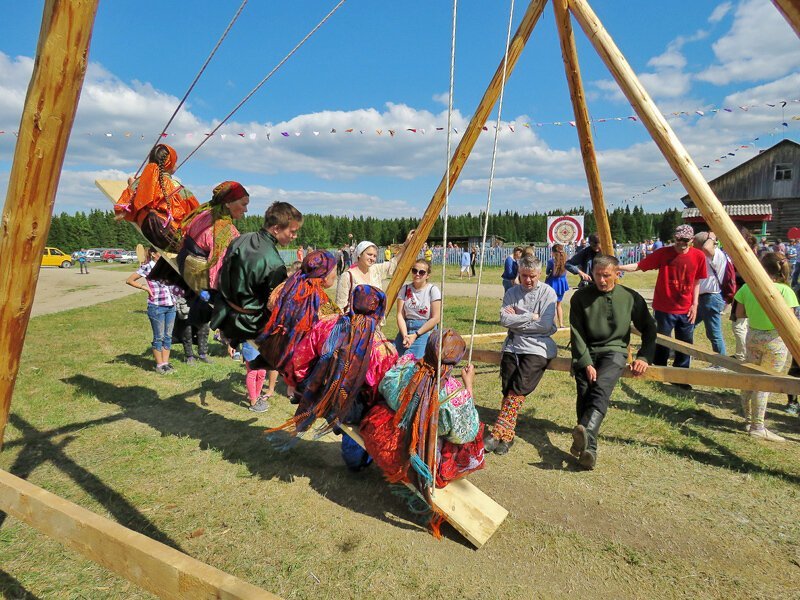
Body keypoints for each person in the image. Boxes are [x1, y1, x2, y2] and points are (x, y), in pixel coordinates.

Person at [360, 329, 483, 537]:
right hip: (421, 457)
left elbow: (386, 388)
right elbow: (465, 434)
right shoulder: (455, 394)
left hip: (386, 440)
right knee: (475, 434)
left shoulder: (406, 367)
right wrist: (469, 387)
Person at [275, 285, 398, 440]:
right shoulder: (380, 347)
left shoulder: (327, 324)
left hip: (316, 393)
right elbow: (376, 391)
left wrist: (296, 382)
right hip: (348, 409)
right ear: (379, 310)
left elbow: (301, 359)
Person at [569, 255, 657, 469]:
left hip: (615, 351)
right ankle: (589, 450)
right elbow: (576, 332)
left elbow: (649, 327)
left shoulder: (630, 298)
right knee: (585, 393)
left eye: (606, 275)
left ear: (617, 274)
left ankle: (586, 435)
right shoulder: (580, 298)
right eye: (597, 274)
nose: (601, 279)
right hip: (587, 351)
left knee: (600, 388)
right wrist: (586, 361)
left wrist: (644, 356)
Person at [485, 256, 558, 455]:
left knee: (518, 387)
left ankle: (498, 432)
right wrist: (530, 316)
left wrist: (517, 316)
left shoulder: (548, 293)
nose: (527, 280)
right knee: (508, 386)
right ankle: (507, 436)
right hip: (513, 345)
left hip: (537, 348)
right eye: (524, 276)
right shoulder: (511, 292)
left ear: (539, 274)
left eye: (532, 276)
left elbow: (545, 325)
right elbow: (504, 319)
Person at [619, 224, 707, 382]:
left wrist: (695, 304)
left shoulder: (698, 256)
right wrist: (617, 267)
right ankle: (658, 372)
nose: (681, 243)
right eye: (678, 239)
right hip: (664, 307)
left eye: (685, 240)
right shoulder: (663, 253)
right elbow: (640, 266)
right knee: (661, 341)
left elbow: (696, 281)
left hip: (686, 308)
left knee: (685, 344)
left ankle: (681, 377)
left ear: (692, 240)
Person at [210, 201, 302, 344]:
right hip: (249, 325)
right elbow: (276, 307)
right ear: (276, 228)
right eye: (292, 231)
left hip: (224, 313)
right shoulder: (275, 264)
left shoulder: (240, 239)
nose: (294, 236)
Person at [734, 252, 799, 442]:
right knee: (765, 383)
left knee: (750, 379)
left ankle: (747, 419)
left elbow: (739, 313)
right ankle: (758, 426)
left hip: (753, 336)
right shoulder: (786, 291)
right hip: (775, 341)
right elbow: (791, 319)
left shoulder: (748, 288)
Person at [257, 250, 339, 373]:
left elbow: (270, 306)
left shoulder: (286, 287)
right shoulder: (319, 300)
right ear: (325, 275)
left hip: (281, 353)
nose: (336, 275)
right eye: (335, 271)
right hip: (305, 364)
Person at [114, 144, 199, 251]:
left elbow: (122, 208)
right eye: (175, 161)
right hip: (171, 238)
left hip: (148, 230)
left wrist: (131, 185)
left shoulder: (139, 183)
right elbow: (196, 215)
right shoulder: (179, 189)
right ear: (169, 163)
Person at [177, 181, 249, 293]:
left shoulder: (203, 213)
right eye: (243, 204)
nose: (246, 210)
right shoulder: (225, 231)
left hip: (184, 266)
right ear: (228, 203)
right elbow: (219, 270)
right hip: (200, 282)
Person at [125, 248, 182, 374]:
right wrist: (145, 288)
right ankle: (159, 365)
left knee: (168, 336)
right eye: (160, 254)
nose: (163, 256)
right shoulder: (148, 267)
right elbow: (130, 280)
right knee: (159, 337)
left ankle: (166, 363)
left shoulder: (168, 267)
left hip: (171, 305)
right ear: (153, 254)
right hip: (156, 306)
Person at [335, 231, 415, 313]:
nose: (372, 258)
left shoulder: (375, 270)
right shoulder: (347, 276)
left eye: (375, 256)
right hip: (353, 323)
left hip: (374, 323)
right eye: (369, 254)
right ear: (359, 254)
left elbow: (393, 263)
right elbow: (340, 307)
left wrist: (406, 244)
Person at [693, 230, 736, 360]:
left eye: (694, 244)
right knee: (687, 326)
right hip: (704, 298)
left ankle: (721, 361)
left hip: (710, 298)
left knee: (713, 333)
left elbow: (707, 247)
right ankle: (685, 352)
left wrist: (712, 236)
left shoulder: (715, 254)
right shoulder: (709, 254)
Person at [395, 259, 441, 357]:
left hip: (424, 330)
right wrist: (405, 335)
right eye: (414, 271)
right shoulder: (405, 289)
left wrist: (416, 335)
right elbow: (400, 314)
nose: (417, 274)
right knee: (394, 359)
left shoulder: (432, 290)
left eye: (422, 272)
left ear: (427, 275)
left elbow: (436, 318)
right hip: (406, 329)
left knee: (414, 362)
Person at [730, 227, 759, 361]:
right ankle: (742, 353)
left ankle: (742, 355)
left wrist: (731, 274)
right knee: (742, 326)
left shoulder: (746, 255)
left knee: (739, 326)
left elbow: (746, 275)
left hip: (744, 293)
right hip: (744, 292)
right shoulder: (748, 253)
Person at [545, 243, 569, 328]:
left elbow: (547, 272)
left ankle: (554, 324)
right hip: (562, 283)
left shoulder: (551, 261)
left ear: (553, 252)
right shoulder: (566, 261)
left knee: (552, 304)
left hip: (553, 283)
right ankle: (561, 324)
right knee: (559, 304)